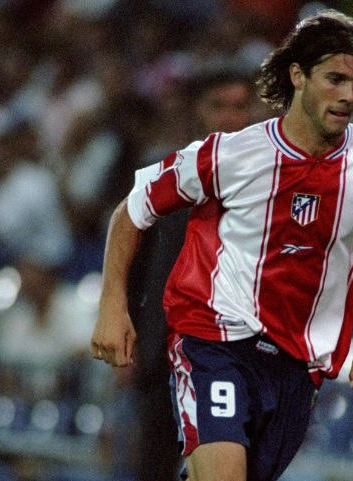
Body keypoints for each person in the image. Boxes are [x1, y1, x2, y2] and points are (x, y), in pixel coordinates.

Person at [91, 9, 353, 481]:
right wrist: (112, 306)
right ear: (298, 76)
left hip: (298, 367)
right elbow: (132, 210)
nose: (349, 95)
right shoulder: (231, 154)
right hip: (214, 341)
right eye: (335, 79)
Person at [125, 68, 259, 481]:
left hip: (238, 356)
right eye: (218, 106)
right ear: (196, 111)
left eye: (239, 106)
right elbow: (134, 266)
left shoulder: (270, 183)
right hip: (164, 354)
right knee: (153, 467)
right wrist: (125, 330)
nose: (229, 117)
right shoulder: (163, 175)